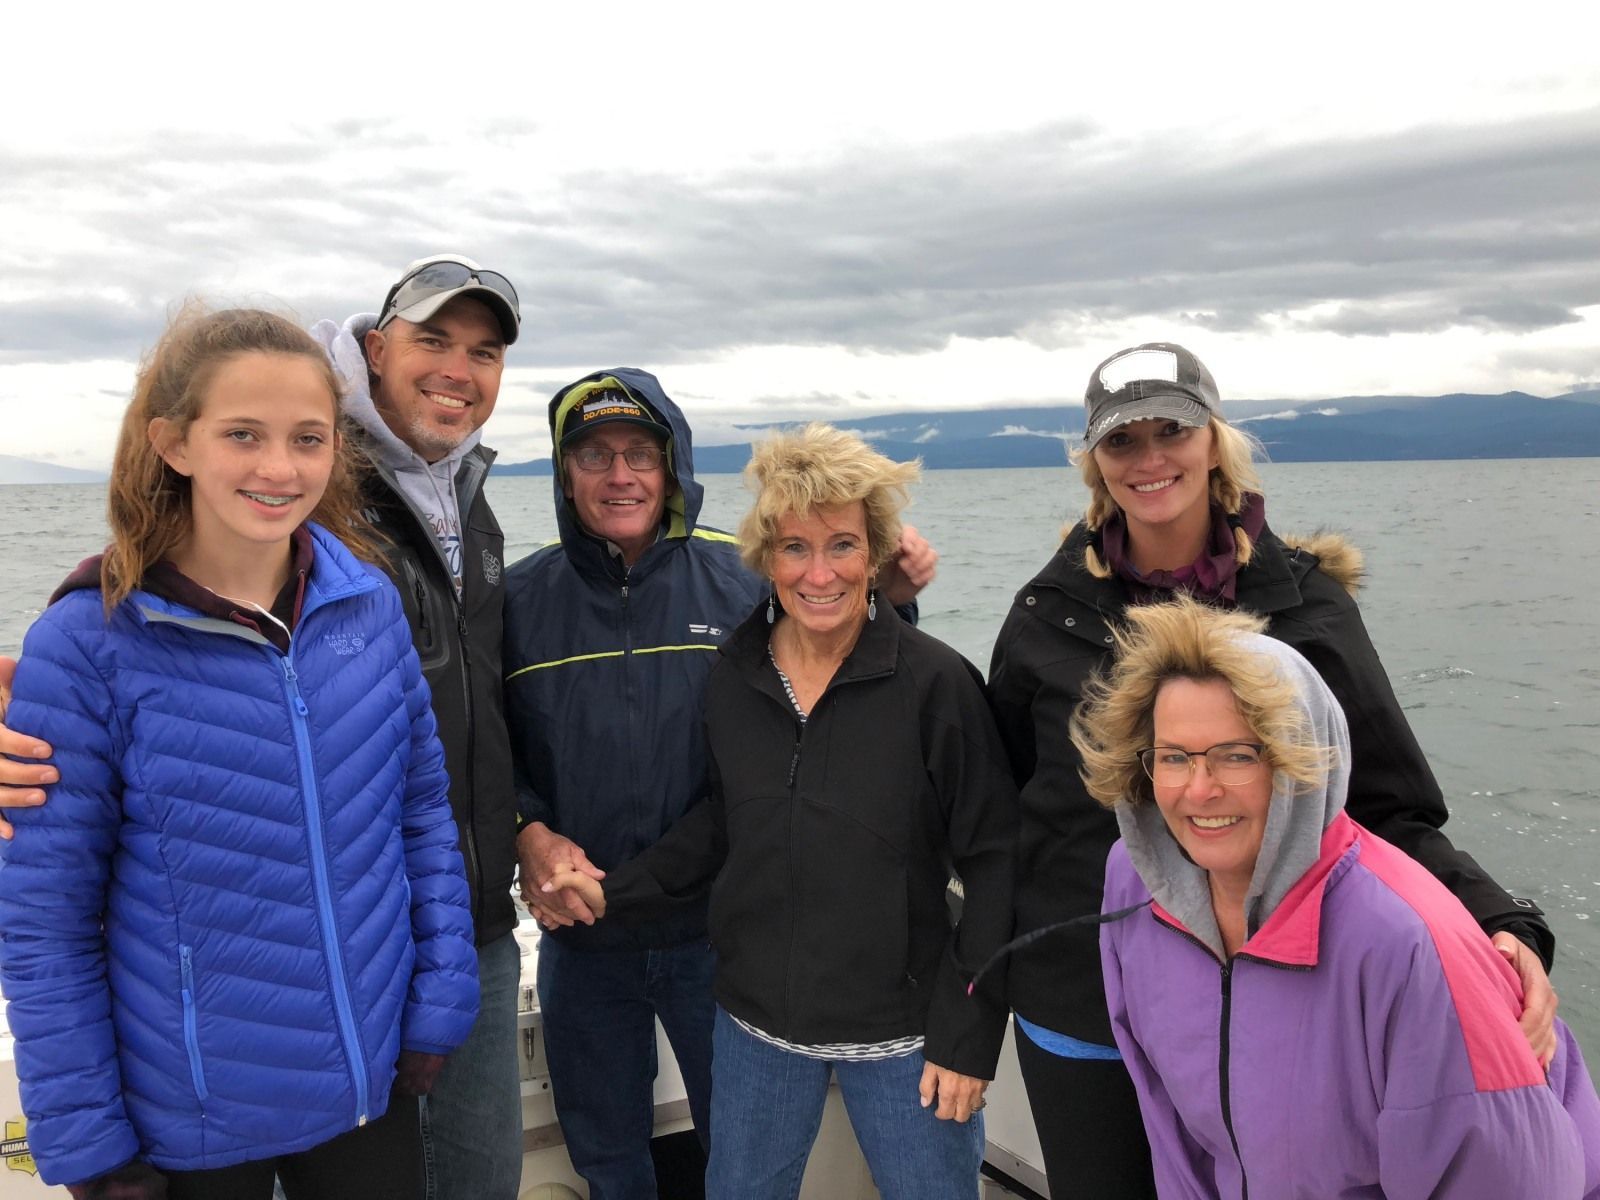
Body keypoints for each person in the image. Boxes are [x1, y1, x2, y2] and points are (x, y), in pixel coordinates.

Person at [0, 255, 528, 1200]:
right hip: (192, 1121)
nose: (279, 468)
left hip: (369, 1090)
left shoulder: (365, 608)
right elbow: (46, 926)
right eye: (243, 433)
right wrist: (87, 1147)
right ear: (174, 442)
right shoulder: (91, 642)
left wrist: (437, 1006)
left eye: (308, 438)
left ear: (338, 449)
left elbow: (420, 818)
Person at [986, 341, 1560, 1198]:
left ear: (1213, 439)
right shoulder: (1047, 614)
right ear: (1094, 465)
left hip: (1270, 1002)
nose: (1149, 460)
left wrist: (1502, 923)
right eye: (1121, 442)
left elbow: (1388, 805)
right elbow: (1002, 807)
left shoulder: (1304, 606)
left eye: (1170, 431)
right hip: (1080, 996)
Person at [543, 422, 1016, 1200]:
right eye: (795, 547)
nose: (819, 572)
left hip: (904, 1034)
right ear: (767, 558)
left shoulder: (936, 685)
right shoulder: (736, 672)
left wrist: (970, 1038)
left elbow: (996, 863)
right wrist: (613, 890)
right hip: (756, 1026)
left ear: (875, 555)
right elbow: (722, 824)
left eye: (842, 545)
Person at [1077, 596, 1600, 1198]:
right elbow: (1175, 1134)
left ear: (1301, 763)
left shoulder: (1408, 947)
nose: (1199, 790)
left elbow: (1508, 1182)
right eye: (1173, 757)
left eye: (1238, 755)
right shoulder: (1138, 886)